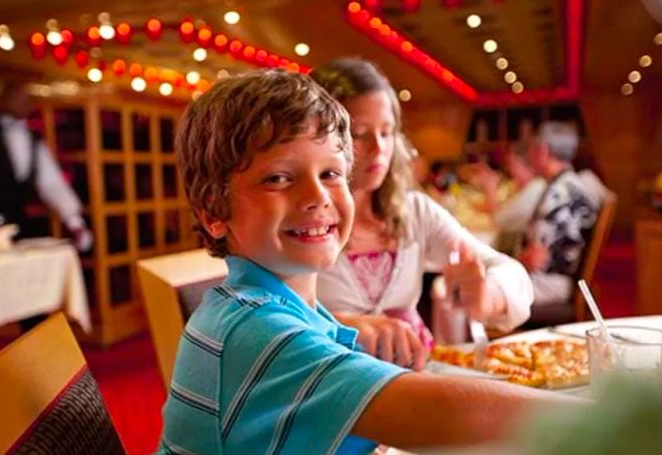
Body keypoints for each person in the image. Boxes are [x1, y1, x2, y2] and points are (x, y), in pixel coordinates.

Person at [159, 69, 578, 454]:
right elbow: (441, 413)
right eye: (278, 178)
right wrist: (615, 418)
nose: (318, 197)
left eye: (331, 174)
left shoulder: (287, 309)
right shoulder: (257, 333)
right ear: (213, 212)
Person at [310, 58, 533, 352]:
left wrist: (485, 295)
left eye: (387, 133)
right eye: (359, 133)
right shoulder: (302, 222)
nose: (379, 149)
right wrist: (338, 326)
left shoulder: (414, 211)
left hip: (415, 372)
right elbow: (269, 320)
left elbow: (511, 272)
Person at [0, 81, 92, 250]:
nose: (23, 101)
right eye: (17, 97)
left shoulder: (34, 141)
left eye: (26, 97)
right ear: (2, 100)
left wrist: (75, 222)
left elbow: (52, 184)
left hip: (20, 225)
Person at [518, 121, 599, 305]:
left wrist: (511, 260)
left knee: (465, 290)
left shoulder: (559, 194)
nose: (528, 155)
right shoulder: (569, 184)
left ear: (544, 151)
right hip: (561, 280)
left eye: (532, 148)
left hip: (552, 284)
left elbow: (537, 259)